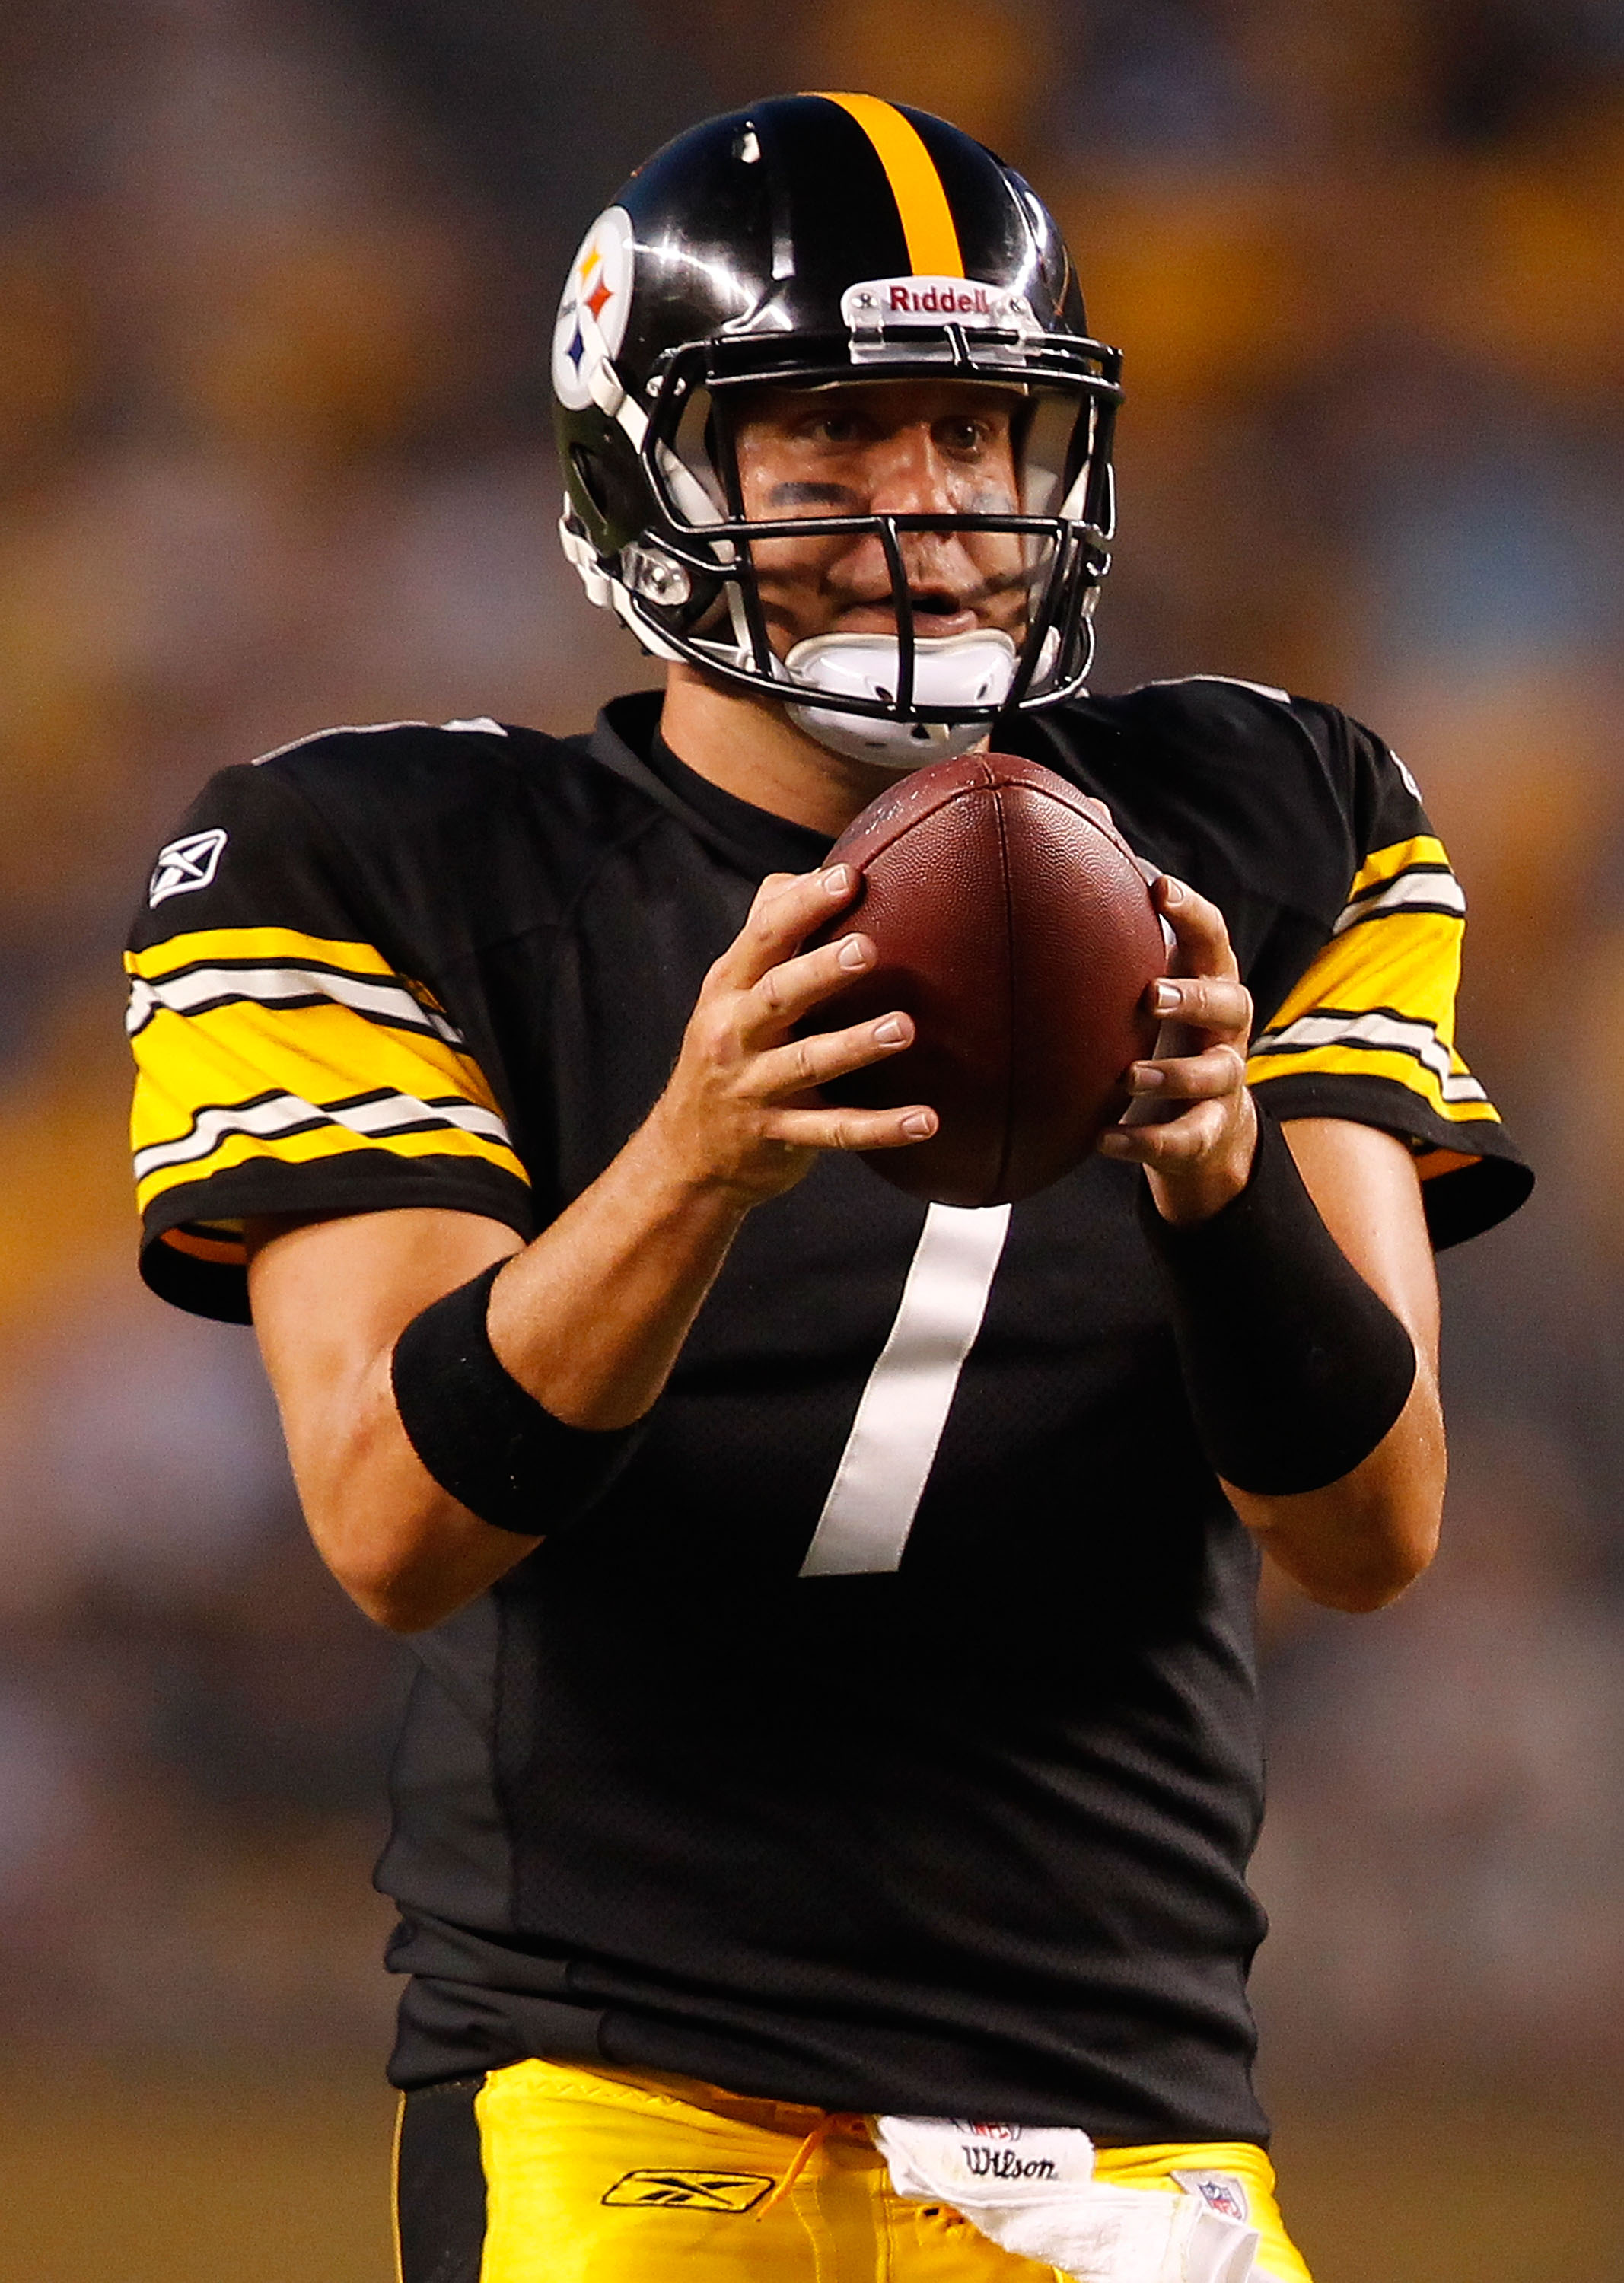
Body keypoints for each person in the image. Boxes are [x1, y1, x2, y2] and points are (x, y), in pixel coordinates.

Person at [125, 93, 1530, 2283]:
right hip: (624, 2070)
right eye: (836, 437)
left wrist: (1222, 1177)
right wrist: (690, 1165)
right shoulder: (377, 865)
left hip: (1120, 2098)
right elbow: (393, 1525)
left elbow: (1372, 1530)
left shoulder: (1281, 816)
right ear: (644, 472)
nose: (928, 515)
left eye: (978, 437)